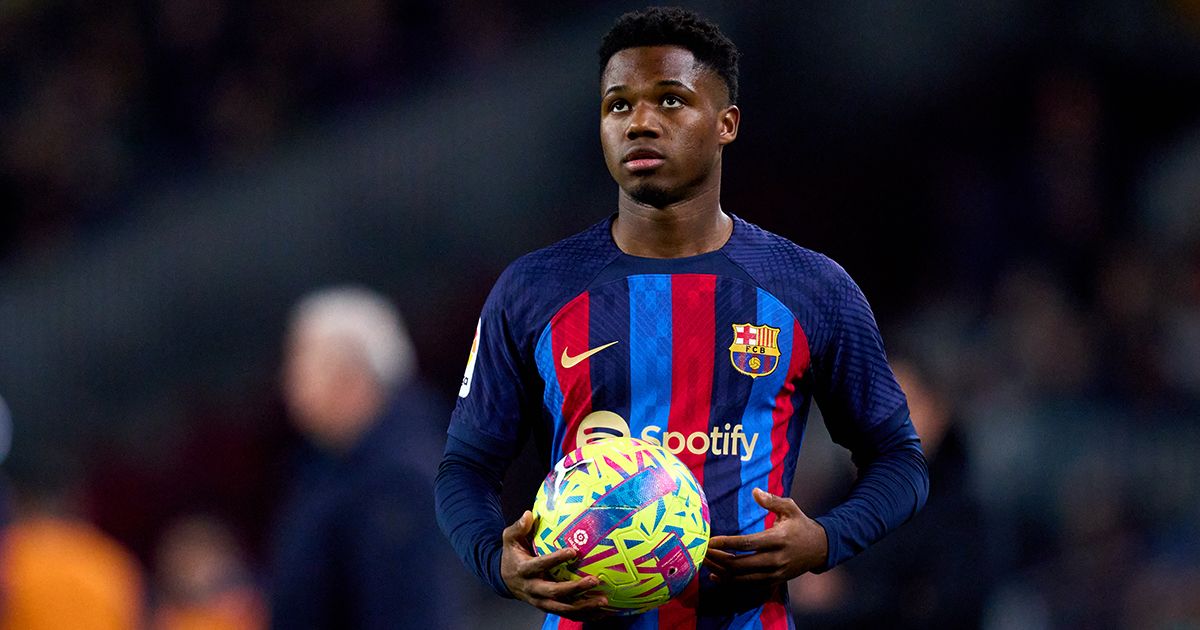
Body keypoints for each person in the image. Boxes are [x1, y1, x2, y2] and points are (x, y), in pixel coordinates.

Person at [435, 7, 929, 629]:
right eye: (619, 105)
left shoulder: (811, 287)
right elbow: (464, 468)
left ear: (727, 124)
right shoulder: (533, 289)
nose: (640, 122)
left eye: (670, 101)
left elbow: (901, 462)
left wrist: (826, 540)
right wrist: (495, 560)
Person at [268, 286, 457, 629]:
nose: (286, 377)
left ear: (348, 371)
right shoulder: (329, 469)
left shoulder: (399, 480)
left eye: (298, 359)